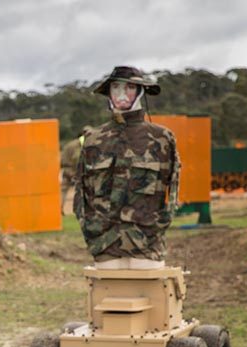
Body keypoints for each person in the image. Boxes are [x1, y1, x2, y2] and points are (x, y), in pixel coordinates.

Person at [73, 66, 180, 270]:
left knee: (151, 299)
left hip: (147, 244)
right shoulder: (93, 140)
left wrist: (159, 227)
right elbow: (81, 192)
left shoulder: (161, 138)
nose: (121, 94)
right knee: (107, 300)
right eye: (115, 87)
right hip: (105, 244)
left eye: (130, 87)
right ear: (108, 92)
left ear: (141, 91)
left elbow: (173, 191)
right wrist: (90, 230)